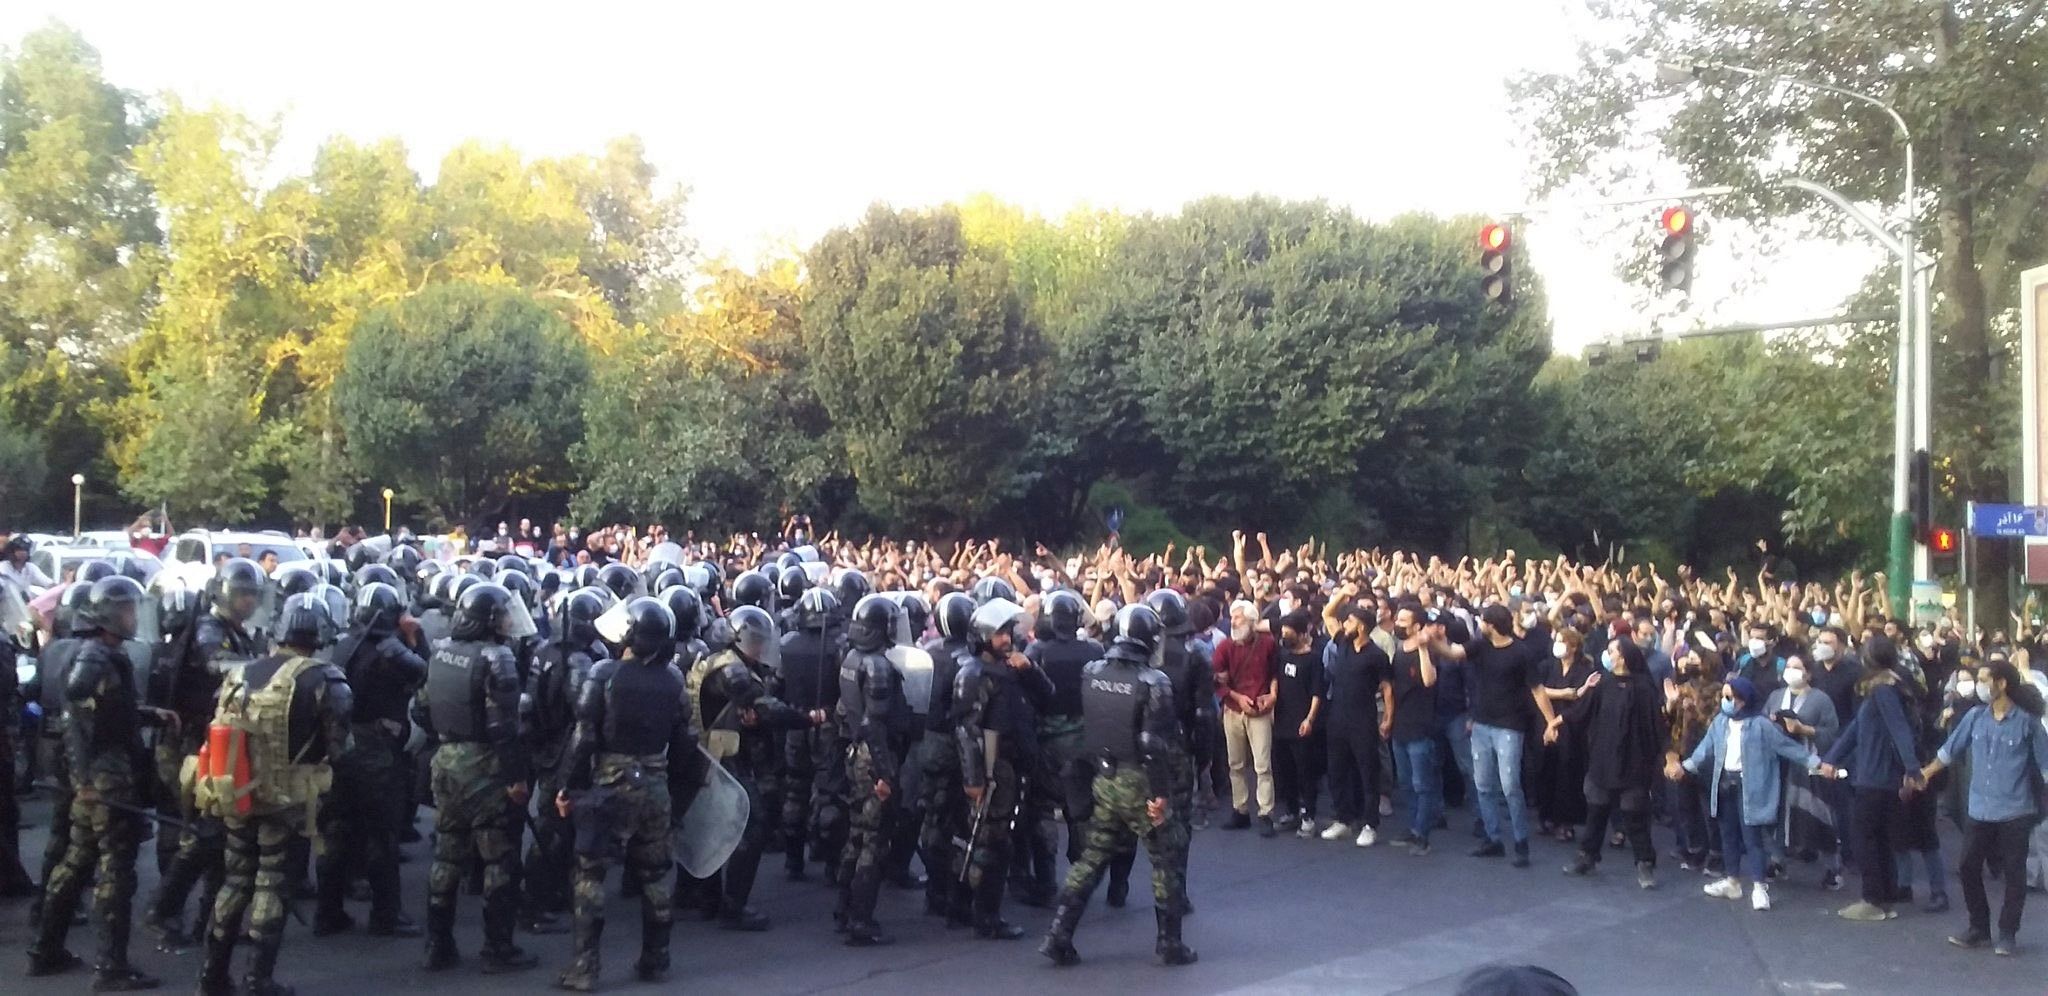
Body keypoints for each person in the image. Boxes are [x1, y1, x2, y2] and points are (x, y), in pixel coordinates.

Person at [196, 591, 353, 996]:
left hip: (237, 791)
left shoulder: (240, 673)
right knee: (271, 885)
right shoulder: (325, 679)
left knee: (234, 882)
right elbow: (341, 749)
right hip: (289, 800)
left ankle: (212, 977)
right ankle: (257, 980)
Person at [28, 575, 179, 989]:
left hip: (99, 777)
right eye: (128, 609)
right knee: (115, 872)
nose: (133, 616)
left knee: (77, 862)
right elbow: (76, 716)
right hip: (105, 780)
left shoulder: (100, 655)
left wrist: (148, 713)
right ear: (109, 614)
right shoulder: (94, 657)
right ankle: (110, 967)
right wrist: (84, 780)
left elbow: (112, 710)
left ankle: (46, 948)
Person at [1039, 604, 1196, 968]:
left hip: (1105, 777)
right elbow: (1152, 744)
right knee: (1165, 858)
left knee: (1093, 856)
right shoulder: (1154, 682)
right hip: (1140, 779)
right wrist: (1159, 794)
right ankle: (1169, 943)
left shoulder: (1092, 671)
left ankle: (1058, 934)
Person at [552, 597, 696, 991]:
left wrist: (566, 787)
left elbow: (584, 738)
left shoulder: (603, 673)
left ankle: (585, 967)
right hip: (654, 783)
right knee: (655, 875)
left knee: (590, 874)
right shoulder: (673, 680)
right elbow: (685, 742)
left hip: (610, 785)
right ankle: (656, 957)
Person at [414, 582, 539, 973]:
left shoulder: (441, 652)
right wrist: (517, 777)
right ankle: (497, 948)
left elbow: (420, 710)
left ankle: (438, 944)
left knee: (448, 853)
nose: (506, 621)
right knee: (498, 857)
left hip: (447, 760)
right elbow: (505, 728)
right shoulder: (496, 657)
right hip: (485, 766)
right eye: (501, 614)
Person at [313, 581, 427, 939]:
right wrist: (415, 636)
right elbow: (425, 671)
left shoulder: (345, 644)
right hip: (376, 747)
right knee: (382, 834)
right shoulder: (390, 649)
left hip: (340, 745)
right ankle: (386, 914)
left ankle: (328, 911)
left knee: (337, 830)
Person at [1913, 659, 2048, 957]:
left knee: (2014, 874)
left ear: (2001, 684)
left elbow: (2045, 765)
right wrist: (1924, 774)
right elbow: (1949, 752)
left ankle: (2007, 933)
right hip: (1979, 809)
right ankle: (1979, 927)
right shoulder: (1975, 717)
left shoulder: (2027, 723)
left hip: (2015, 810)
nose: (1979, 685)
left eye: (1985, 679)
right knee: (1968, 867)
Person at [689, 605, 813, 930]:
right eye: (756, 640)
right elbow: (765, 706)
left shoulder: (720, 660)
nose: (761, 646)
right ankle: (733, 907)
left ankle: (708, 899)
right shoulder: (732, 670)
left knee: (712, 824)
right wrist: (808, 718)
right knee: (752, 824)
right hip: (718, 756)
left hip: (710, 753)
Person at [1676, 676, 1835, 913]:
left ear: (1742, 700)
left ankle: (1759, 886)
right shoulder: (1720, 722)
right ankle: (1732, 881)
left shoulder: (1761, 725)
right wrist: (1685, 767)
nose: (1725, 701)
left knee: (1752, 837)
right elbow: (1704, 750)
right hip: (1724, 784)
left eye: (1729, 697)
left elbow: (1788, 748)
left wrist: (1817, 763)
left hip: (1749, 787)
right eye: (1724, 696)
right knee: (1727, 833)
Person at [948, 597, 1052, 938]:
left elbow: (1046, 695)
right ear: (982, 638)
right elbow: (966, 730)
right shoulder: (973, 674)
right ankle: (984, 915)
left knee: (991, 839)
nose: (1007, 639)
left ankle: (964, 906)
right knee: (991, 842)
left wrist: (1030, 669)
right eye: (998, 634)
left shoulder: (1013, 669)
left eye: (1008, 632)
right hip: (991, 770)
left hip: (1012, 765)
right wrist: (974, 779)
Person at [1437, 604, 1564, 868]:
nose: (1480, 625)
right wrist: (1431, 643)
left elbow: (1537, 690)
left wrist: (1551, 722)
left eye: (1483, 621)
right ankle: (1493, 838)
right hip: (1482, 724)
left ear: (1491, 624)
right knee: (1482, 784)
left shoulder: (1521, 652)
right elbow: (1452, 653)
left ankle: (1520, 842)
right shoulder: (1480, 645)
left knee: (1509, 786)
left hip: (1509, 725)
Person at [517, 586, 608, 933]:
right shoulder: (579, 661)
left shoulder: (544, 650)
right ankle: (534, 902)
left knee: (557, 824)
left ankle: (551, 892)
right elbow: (584, 712)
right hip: (566, 750)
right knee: (554, 828)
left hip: (546, 747)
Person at [1823, 637, 1924, 922]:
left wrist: (1913, 769)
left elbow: (1898, 729)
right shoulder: (1887, 688)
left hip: (1875, 776)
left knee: (1863, 836)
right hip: (1879, 775)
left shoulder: (1882, 692)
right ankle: (1886, 896)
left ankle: (1872, 898)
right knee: (1879, 837)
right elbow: (1856, 730)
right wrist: (1831, 758)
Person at [836, 595, 911, 946]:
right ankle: (861, 920)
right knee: (874, 838)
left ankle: (843, 909)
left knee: (856, 832)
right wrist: (885, 774)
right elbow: (876, 724)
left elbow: (844, 714)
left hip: (855, 752)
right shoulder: (878, 666)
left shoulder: (851, 658)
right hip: (874, 755)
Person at [1562, 639, 1665, 889]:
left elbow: (1656, 726)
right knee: (1596, 810)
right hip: (1603, 759)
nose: (1608, 656)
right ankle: (1587, 856)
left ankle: (1644, 864)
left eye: (1612, 652)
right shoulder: (1603, 683)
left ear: (1624, 657)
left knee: (1634, 815)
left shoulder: (1644, 688)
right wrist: (1560, 720)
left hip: (1634, 761)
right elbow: (1582, 713)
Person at [1021, 590, 1101, 906]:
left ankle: (1045, 882)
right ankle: (1082, 880)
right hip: (1084, 739)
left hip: (1048, 739)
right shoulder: (1094, 650)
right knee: (1080, 811)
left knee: (1041, 809)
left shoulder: (1037, 650)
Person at [1764, 654, 1843, 890]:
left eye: (1797, 667)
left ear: (1808, 673)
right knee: (1775, 813)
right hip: (1778, 764)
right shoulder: (1776, 696)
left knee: (1817, 814)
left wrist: (1803, 729)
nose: (1791, 671)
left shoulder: (1821, 700)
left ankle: (1832, 867)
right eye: (1788, 666)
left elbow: (1831, 733)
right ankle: (1776, 859)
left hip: (1809, 766)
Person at [1319, 603, 1392, 848]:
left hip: (1363, 720)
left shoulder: (1376, 655)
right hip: (1337, 718)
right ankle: (1343, 818)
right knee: (1337, 770)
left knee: (1367, 772)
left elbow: (1387, 689)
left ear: (1361, 626)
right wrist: (1344, 594)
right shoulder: (1343, 644)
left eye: (1349, 621)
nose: (1345, 625)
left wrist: (1388, 719)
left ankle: (1370, 824)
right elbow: (1327, 614)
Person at [1213, 600, 1278, 836]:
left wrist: (1272, 696)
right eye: (1233, 617)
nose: (1234, 621)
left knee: (1263, 765)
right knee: (1235, 764)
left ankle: (1265, 812)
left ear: (1252, 621)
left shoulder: (1268, 644)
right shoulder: (1224, 647)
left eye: (1239, 617)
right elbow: (1218, 682)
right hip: (1234, 710)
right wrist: (1238, 698)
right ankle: (1240, 809)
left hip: (1260, 710)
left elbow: (1274, 673)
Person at [1666, 637, 1725, 873]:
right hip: (1682, 749)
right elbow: (1670, 721)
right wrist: (1671, 705)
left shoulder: (1718, 690)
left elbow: (1716, 722)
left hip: (1708, 755)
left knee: (1709, 807)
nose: (1687, 663)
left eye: (1693, 660)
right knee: (1686, 805)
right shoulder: (1683, 688)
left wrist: (1695, 708)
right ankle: (1695, 849)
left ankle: (1717, 853)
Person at [1382, 603, 1438, 853]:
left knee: (1422, 784)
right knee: (1405, 782)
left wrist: (1424, 648)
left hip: (1420, 727)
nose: (1398, 623)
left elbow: (1429, 681)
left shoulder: (1426, 650)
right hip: (1401, 727)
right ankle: (1413, 827)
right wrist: (1389, 720)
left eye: (1404, 620)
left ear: (1417, 625)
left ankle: (1422, 834)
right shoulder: (1399, 649)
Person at [1535, 626, 1595, 842]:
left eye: (1563, 641)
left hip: (1571, 727)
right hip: (1545, 721)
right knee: (1545, 769)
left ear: (1574, 646)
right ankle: (1546, 815)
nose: (1558, 645)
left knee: (1568, 773)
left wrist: (1559, 721)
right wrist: (1560, 697)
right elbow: (1535, 689)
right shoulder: (1547, 666)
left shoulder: (1583, 670)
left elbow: (1582, 701)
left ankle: (1566, 821)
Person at [1271, 611, 1326, 838]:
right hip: (1281, 721)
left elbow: (1317, 693)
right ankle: (1291, 812)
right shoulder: (1282, 655)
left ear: (1303, 633)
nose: (1284, 636)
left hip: (1302, 723)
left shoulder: (1313, 659)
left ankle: (1309, 816)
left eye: (1289, 632)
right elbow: (1275, 679)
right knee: (1286, 772)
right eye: (1283, 632)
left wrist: (1310, 719)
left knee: (1305, 773)